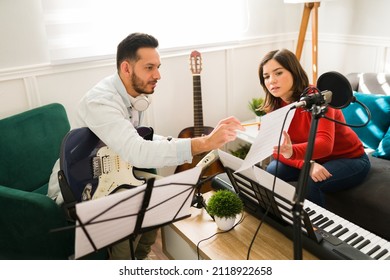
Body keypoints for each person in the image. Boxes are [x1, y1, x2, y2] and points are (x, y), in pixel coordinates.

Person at [47, 32, 244, 259]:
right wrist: (203, 143)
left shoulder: (134, 96)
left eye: (158, 67)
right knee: (132, 210)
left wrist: (192, 142)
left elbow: (142, 140)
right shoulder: (101, 101)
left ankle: (139, 259)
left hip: (115, 171)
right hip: (80, 184)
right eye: (149, 67)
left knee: (169, 194)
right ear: (126, 68)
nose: (158, 75)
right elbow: (137, 151)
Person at [257, 48, 371, 207]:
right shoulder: (274, 106)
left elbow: (325, 144)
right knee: (272, 170)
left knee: (310, 180)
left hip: (349, 158)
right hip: (312, 158)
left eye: (278, 73)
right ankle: (279, 218)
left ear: (294, 72)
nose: (272, 81)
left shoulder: (319, 97)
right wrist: (307, 164)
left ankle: (315, 230)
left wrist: (293, 153)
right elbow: (275, 149)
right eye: (266, 76)